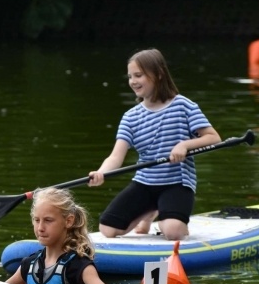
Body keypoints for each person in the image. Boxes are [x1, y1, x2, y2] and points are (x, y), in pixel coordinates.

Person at [88, 48, 221, 241]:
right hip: (145, 182)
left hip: (177, 183)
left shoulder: (183, 105)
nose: (133, 81)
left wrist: (185, 145)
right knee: (108, 229)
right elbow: (116, 156)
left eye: (139, 75)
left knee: (173, 232)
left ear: (158, 74)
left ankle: (171, 216)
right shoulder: (130, 117)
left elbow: (213, 137)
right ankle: (150, 211)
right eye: (130, 76)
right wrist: (101, 173)